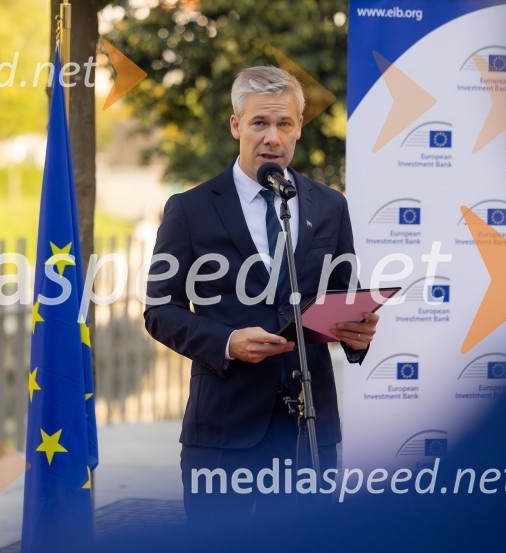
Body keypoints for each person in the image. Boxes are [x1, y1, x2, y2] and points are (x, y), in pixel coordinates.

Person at [143, 66, 379, 528]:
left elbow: (343, 299)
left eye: (284, 124)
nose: (272, 137)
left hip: (309, 429)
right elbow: (159, 311)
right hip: (223, 432)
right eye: (259, 123)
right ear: (236, 125)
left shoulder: (330, 206)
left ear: (298, 128)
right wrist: (228, 342)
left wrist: (359, 333)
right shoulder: (189, 209)